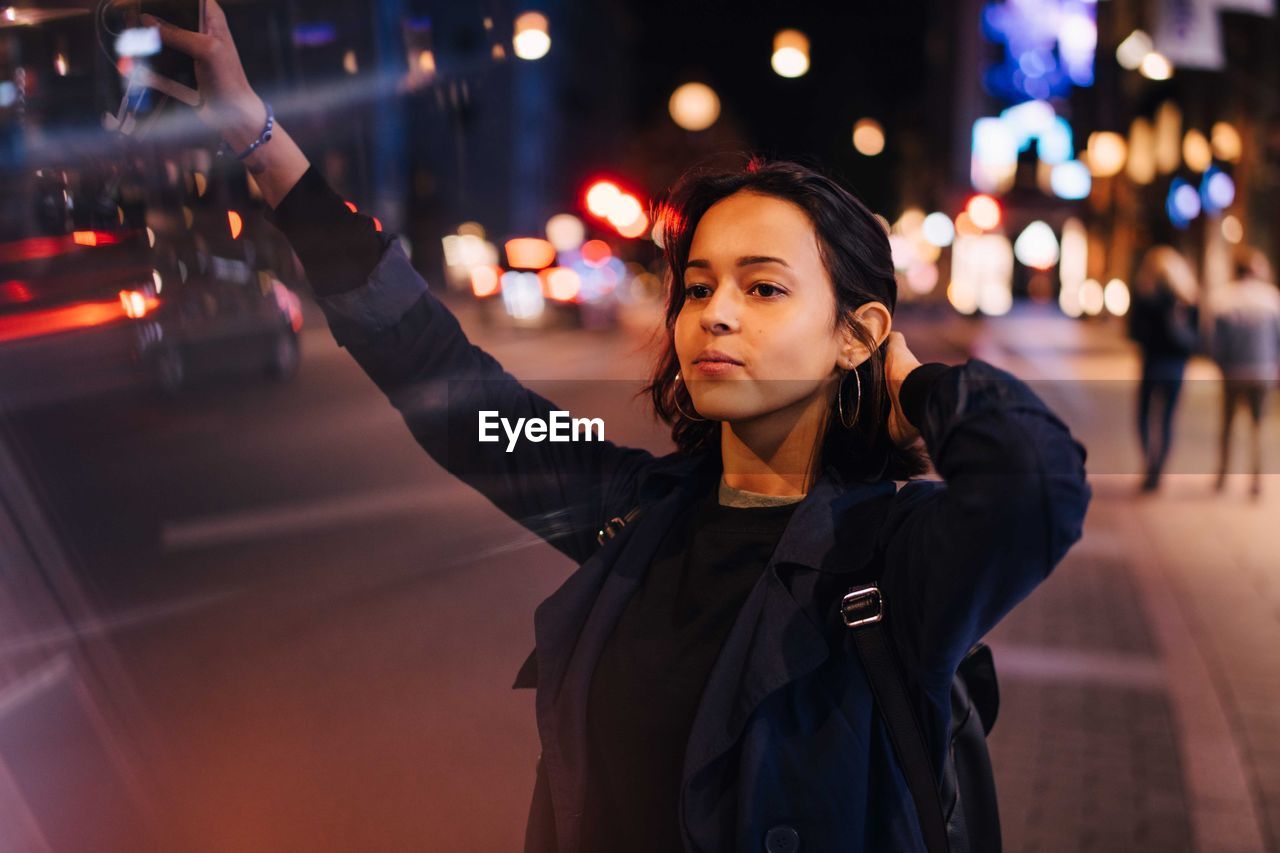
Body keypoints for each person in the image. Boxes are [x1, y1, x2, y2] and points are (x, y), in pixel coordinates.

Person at [146, 4, 1092, 851]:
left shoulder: (897, 559)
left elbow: (1038, 481)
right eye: (696, 286)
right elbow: (439, 373)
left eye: (763, 288)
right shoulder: (629, 513)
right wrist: (261, 141)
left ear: (856, 331)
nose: (713, 314)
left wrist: (909, 384)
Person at [1128, 244, 1201, 492]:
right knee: (1168, 418)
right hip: (1176, 366)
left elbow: (1134, 332)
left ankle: (1151, 463)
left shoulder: (1146, 296)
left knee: (1144, 416)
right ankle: (1158, 467)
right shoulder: (1186, 299)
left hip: (1153, 364)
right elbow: (1196, 337)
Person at [1210, 246, 1280, 497]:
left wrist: (1221, 365)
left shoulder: (1224, 299)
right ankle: (1257, 479)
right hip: (1263, 372)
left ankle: (1222, 475)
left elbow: (1216, 342)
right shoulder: (1272, 299)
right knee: (1258, 427)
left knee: (1228, 426)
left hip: (1233, 372)